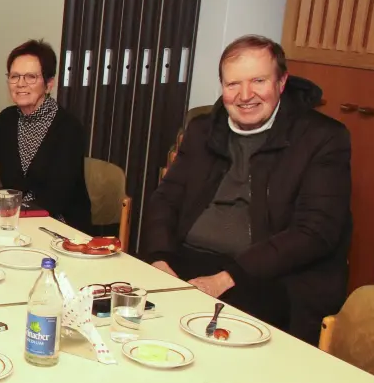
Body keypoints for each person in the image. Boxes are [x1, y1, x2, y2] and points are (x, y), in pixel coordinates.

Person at [140, 35, 351, 345]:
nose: (245, 95)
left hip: (269, 276)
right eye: (233, 84)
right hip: (189, 261)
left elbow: (314, 232)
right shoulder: (203, 129)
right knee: (124, 312)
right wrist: (160, 260)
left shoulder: (323, 138)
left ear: (281, 83)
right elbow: (165, 199)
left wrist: (226, 278)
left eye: (258, 81)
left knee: (204, 341)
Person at [0, 40, 91, 230]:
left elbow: (55, 199)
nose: (20, 84)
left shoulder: (69, 128)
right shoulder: (8, 119)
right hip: (14, 220)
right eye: (14, 76)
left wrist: (9, 216)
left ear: (49, 83)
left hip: (58, 227)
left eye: (31, 77)